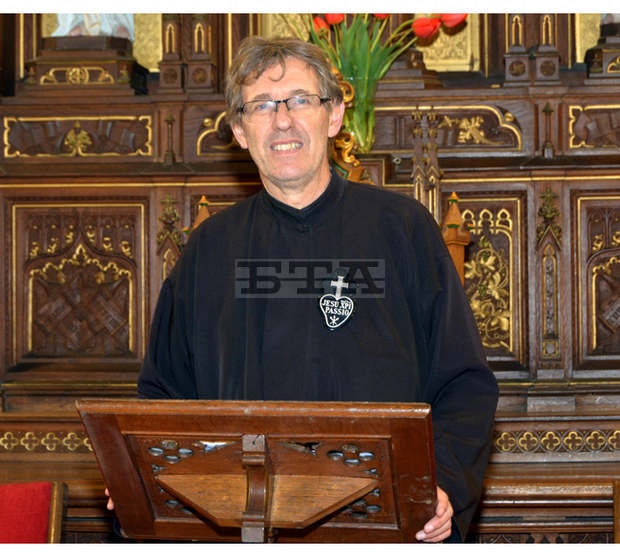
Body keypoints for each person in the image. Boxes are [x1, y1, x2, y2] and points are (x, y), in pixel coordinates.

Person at [131, 36, 499, 543]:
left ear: (334, 115)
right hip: (245, 526)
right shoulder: (210, 250)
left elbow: (463, 382)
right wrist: (143, 478)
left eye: (301, 100)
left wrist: (445, 485)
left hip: (385, 523)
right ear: (239, 131)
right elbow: (164, 397)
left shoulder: (402, 228)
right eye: (262, 105)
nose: (282, 120)